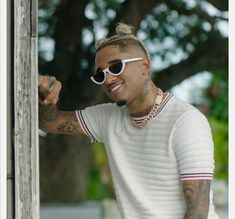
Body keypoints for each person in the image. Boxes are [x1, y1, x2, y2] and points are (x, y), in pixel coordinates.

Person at [38, 23, 219, 219]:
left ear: (144, 66)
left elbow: (198, 212)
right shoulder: (108, 118)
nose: (108, 79)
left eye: (116, 67)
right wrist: (48, 99)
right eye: (100, 75)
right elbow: (49, 122)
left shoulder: (186, 121)